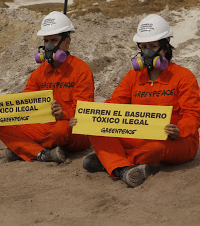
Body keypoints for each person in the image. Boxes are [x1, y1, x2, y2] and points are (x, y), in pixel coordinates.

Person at [75, 14, 200, 187]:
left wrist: (179, 130)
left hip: (176, 140)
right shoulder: (133, 76)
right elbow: (115, 103)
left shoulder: (183, 76)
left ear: (165, 48)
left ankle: (110, 161)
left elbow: (193, 114)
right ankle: (124, 169)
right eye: (144, 46)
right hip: (140, 135)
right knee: (95, 131)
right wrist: (89, 118)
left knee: (155, 149)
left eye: (153, 46)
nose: (147, 52)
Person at [0, 11, 93, 163]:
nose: (48, 46)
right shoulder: (39, 72)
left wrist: (63, 113)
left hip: (73, 129)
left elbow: (84, 112)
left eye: (54, 40)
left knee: (60, 131)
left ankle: (23, 148)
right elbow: (24, 106)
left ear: (67, 42)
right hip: (47, 127)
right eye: (46, 40)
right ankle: (42, 153)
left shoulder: (81, 70)